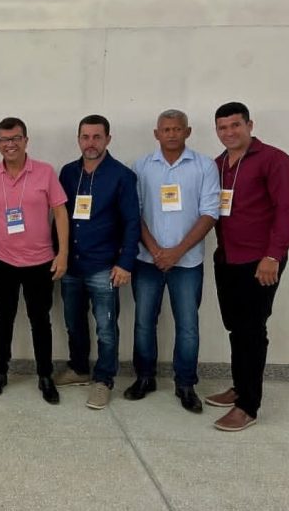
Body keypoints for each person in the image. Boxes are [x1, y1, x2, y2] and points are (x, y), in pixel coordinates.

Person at [207, 102, 289, 431]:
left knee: (252, 330)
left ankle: (248, 405)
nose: (229, 132)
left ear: (249, 125)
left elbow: (287, 210)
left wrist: (273, 255)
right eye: (222, 127)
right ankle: (239, 387)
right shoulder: (218, 165)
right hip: (227, 258)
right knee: (236, 327)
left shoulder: (274, 160)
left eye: (235, 125)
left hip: (260, 261)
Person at [125, 109, 219, 412]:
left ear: (187, 132)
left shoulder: (204, 166)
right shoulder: (141, 166)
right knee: (144, 323)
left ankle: (186, 384)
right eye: (165, 129)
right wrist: (155, 250)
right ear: (157, 134)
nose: (172, 134)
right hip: (147, 260)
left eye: (177, 129)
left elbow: (210, 213)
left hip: (187, 262)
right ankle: (145, 377)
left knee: (188, 325)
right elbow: (135, 213)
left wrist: (177, 251)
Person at [0, 117, 69, 404]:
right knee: (3, 319)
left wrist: (63, 254)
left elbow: (60, 213)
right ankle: (0, 372)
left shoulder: (45, 172)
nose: (10, 144)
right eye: (4, 140)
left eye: (16, 138)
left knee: (40, 321)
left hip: (40, 262)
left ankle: (45, 375)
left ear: (26, 140)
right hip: (2, 261)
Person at [54, 114, 140, 410]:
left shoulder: (122, 176)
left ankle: (103, 379)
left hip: (105, 265)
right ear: (78, 139)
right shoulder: (68, 173)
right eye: (85, 137)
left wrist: (126, 263)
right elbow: (59, 216)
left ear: (108, 139)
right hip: (71, 265)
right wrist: (58, 254)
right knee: (73, 323)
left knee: (106, 327)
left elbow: (132, 222)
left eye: (97, 137)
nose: (90, 143)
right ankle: (79, 369)